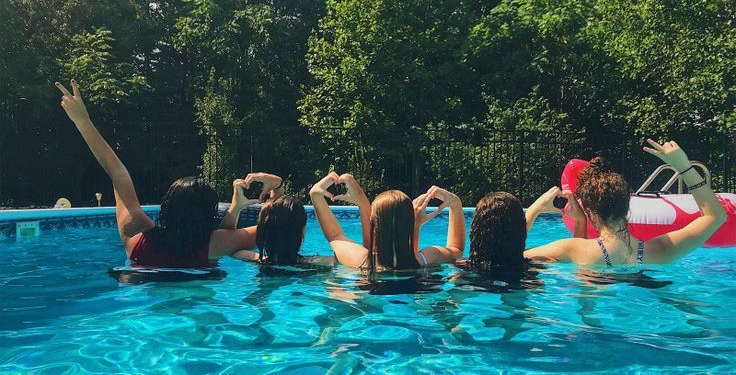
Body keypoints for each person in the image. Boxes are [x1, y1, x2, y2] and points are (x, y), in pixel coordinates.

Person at [55, 79, 270, 267]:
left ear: (166, 206)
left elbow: (117, 172)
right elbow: (280, 227)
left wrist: (82, 121)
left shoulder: (136, 238)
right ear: (208, 217)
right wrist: (273, 188)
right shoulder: (214, 244)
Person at [524, 139, 727, 265]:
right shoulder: (661, 251)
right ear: (627, 206)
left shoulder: (574, 250)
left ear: (591, 214)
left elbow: (510, 254)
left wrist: (535, 209)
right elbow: (715, 216)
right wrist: (683, 166)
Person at [309, 172, 465, 270]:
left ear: (374, 225)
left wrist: (316, 194)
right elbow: (456, 250)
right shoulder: (425, 258)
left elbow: (335, 236)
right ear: (410, 223)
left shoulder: (360, 260)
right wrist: (455, 203)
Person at [461, 186, 586, 276]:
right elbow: (576, 252)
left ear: (475, 229)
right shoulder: (536, 263)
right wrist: (581, 221)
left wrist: (536, 208)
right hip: (521, 284)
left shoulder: (462, 270)